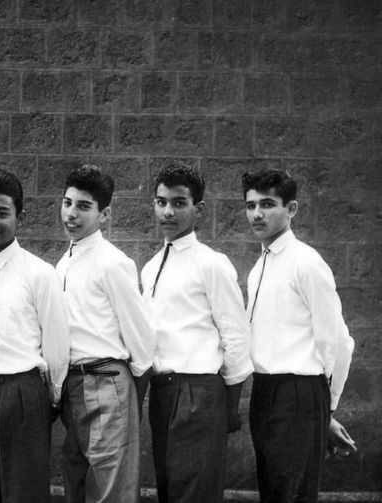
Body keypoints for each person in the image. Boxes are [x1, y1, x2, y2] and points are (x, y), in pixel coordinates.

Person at [140, 164, 253, 503]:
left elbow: (236, 337)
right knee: (169, 489)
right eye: (161, 202)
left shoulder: (212, 264)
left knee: (195, 492)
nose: (168, 211)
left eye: (178, 203)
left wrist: (228, 409)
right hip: (163, 393)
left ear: (198, 209)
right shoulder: (150, 266)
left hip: (200, 393)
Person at [242, 169, 356, 503]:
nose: (257, 214)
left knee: (291, 496)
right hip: (266, 393)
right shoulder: (260, 266)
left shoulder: (305, 263)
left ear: (291, 209)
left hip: (299, 394)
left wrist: (327, 409)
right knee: (274, 493)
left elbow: (339, 342)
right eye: (250, 206)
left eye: (267, 204)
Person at [0, 169, 70, 503]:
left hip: (25, 393)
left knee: (24, 491)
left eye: (2, 213)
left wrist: (50, 397)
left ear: (20, 216)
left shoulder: (39, 273)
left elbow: (56, 340)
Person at [55, 164, 155, 503]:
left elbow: (141, 340)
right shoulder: (64, 262)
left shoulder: (113, 262)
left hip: (107, 379)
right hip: (72, 383)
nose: (72, 213)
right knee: (77, 481)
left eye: (84, 206)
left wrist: (126, 395)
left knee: (110, 490)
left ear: (105, 214)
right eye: (68, 203)